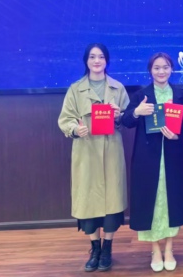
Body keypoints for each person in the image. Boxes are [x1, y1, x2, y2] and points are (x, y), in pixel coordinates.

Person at [58, 43, 129, 272]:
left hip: (111, 151)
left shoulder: (117, 88)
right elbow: (65, 119)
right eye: (92, 57)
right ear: (86, 61)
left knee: (112, 201)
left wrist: (119, 116)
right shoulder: (75, 89)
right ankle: (94, 248)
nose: (96, 61)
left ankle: (107, 248)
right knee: (88, 201)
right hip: (86, 152)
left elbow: (128, 118)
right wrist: (74, 129)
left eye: (100, 57)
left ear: (106, 60)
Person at [121, 52, 183, 272]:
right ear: (150, 70)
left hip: (172, 156)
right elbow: (126, 121)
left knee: (170, 201)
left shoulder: (179, 94)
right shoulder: (141, 95)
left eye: (166, 67)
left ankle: (169, 248)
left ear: (172, 69)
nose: (162, 71)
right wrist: (137, 112)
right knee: (150, 200)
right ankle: (155, 250)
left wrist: (178, 135)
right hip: (147, 157)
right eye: (157, 67)